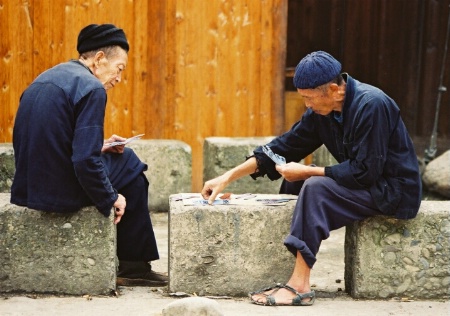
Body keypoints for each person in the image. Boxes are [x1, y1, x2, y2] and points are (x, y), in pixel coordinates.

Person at [201, 51, 422, 306]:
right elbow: (284, 148)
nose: (307, 104)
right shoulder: (322, 111)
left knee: (314, 185)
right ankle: (289, 268)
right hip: (368, 184)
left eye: (309, 98)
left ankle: (300, 287)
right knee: (298, 180)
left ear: (334, 89)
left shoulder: (371, 105)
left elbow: (366, 171)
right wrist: (227, 177)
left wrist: (308, 171)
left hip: (393, 191)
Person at [11, 24, 168, 287]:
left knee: (117, 156)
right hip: (59, 193)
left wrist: (100, 145)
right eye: (119, 69)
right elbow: (84, 161)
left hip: (29, 188)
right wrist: (110, 197)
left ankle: (133, 263)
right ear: (99, 60)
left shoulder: (47, 78)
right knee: (130, 163)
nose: (118, 78)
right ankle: (134, 265)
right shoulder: (91, 88)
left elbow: (54, 143)